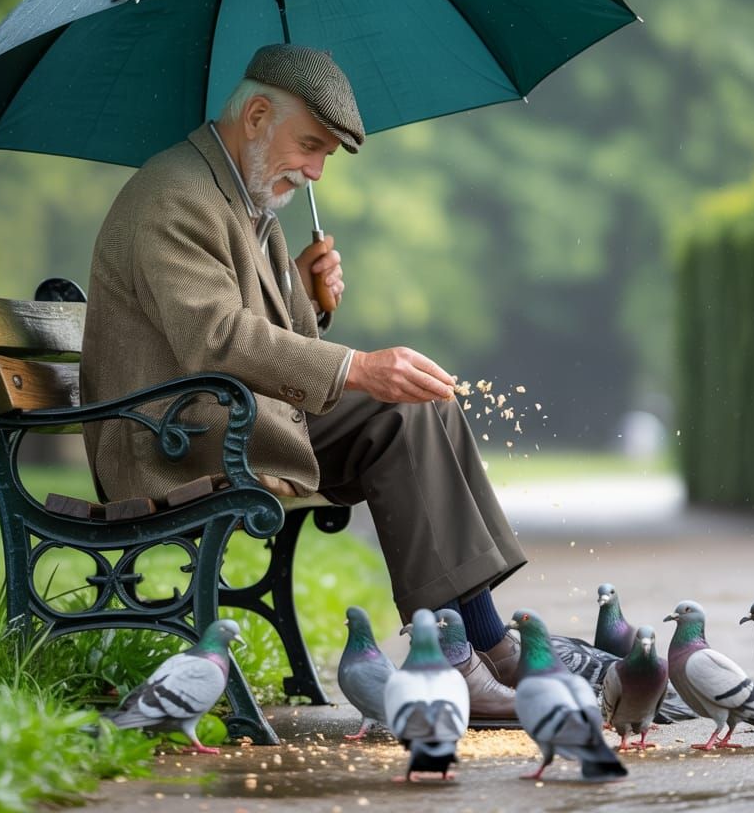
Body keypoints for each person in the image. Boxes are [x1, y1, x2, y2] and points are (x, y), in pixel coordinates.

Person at [80, 44, 526, 715]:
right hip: (169, 437)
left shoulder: (247, 199)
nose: (316, 170)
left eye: (325, 155)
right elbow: (217, 338)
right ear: (256, 114)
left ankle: (482, 640)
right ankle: (459, 655)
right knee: (394, 404)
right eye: (310, 144)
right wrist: (359, 366)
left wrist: (311, 296)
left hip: (226, 414)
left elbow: (285, 342)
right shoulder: (175, 195)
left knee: (420, 404)